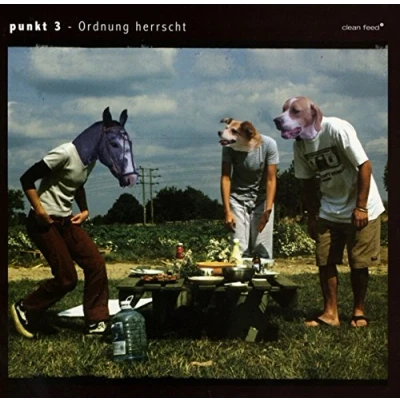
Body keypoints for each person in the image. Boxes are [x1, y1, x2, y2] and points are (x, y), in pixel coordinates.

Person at [10, 108, 138, 338]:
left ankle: (96, 321)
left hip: (66, 221)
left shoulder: (90, 160)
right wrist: (39, 210)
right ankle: (26, 309)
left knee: (96, 263)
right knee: (67, 278)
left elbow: (77, 185)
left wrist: (85, 210)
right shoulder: (65, 153)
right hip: (43, 223)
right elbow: (26, 178)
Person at [274, 96, 385, 327]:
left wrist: (361, 207)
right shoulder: (300, 145)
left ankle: (358, 311)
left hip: (362, 204)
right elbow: (307, 182)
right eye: (285, 112)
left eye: (294, 112)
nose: (284, 117)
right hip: (329, 208)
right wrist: (312, 216)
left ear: (314, 114)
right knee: (324, 259)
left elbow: (365, 166)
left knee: (358, 262)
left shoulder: (336, 129)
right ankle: (330, 313)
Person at [219, 119, 278, 260]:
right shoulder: (229, 146)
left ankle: (262, 274)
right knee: (238, 249)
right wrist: (227, 211)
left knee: (262, 250)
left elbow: (271, 179)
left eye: (234, 132)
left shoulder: (268, 145)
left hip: (262, 200)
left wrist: (268, 209)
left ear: (249, 135)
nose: (225, 133)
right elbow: (226, 177)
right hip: (237, 200)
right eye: (227, 128)